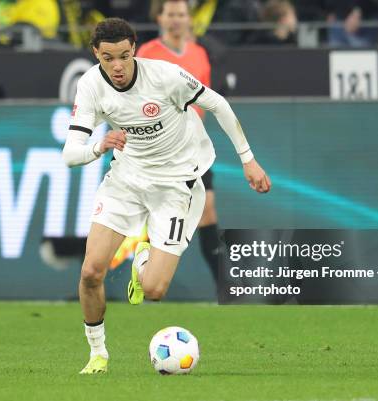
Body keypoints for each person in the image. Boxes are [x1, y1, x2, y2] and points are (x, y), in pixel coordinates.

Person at [62, 17, 271, 374]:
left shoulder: (165, 76)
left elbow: (218, 104)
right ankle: (98, 354)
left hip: (177, 185)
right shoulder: (91, 86)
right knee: (91, 272)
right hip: (126, 180)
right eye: (108, 58)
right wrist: (100, 146)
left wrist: (248, 161)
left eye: (124, 57)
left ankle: (141, 261)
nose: (117, 66)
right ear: (96, 54)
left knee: (155, 289)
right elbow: (70, 154)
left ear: (134, 52)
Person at [137, 0, 222, 285]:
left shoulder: (199, 54)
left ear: (189, 19)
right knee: (153, 215)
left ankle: (225, 284)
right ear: (159, 18)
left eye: (181, 14)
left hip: (193, 150)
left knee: (207, 209)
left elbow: (204, 104)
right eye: (170, 14)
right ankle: (142, 277)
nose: (176, 20)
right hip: (160, 149)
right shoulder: (147, 54)